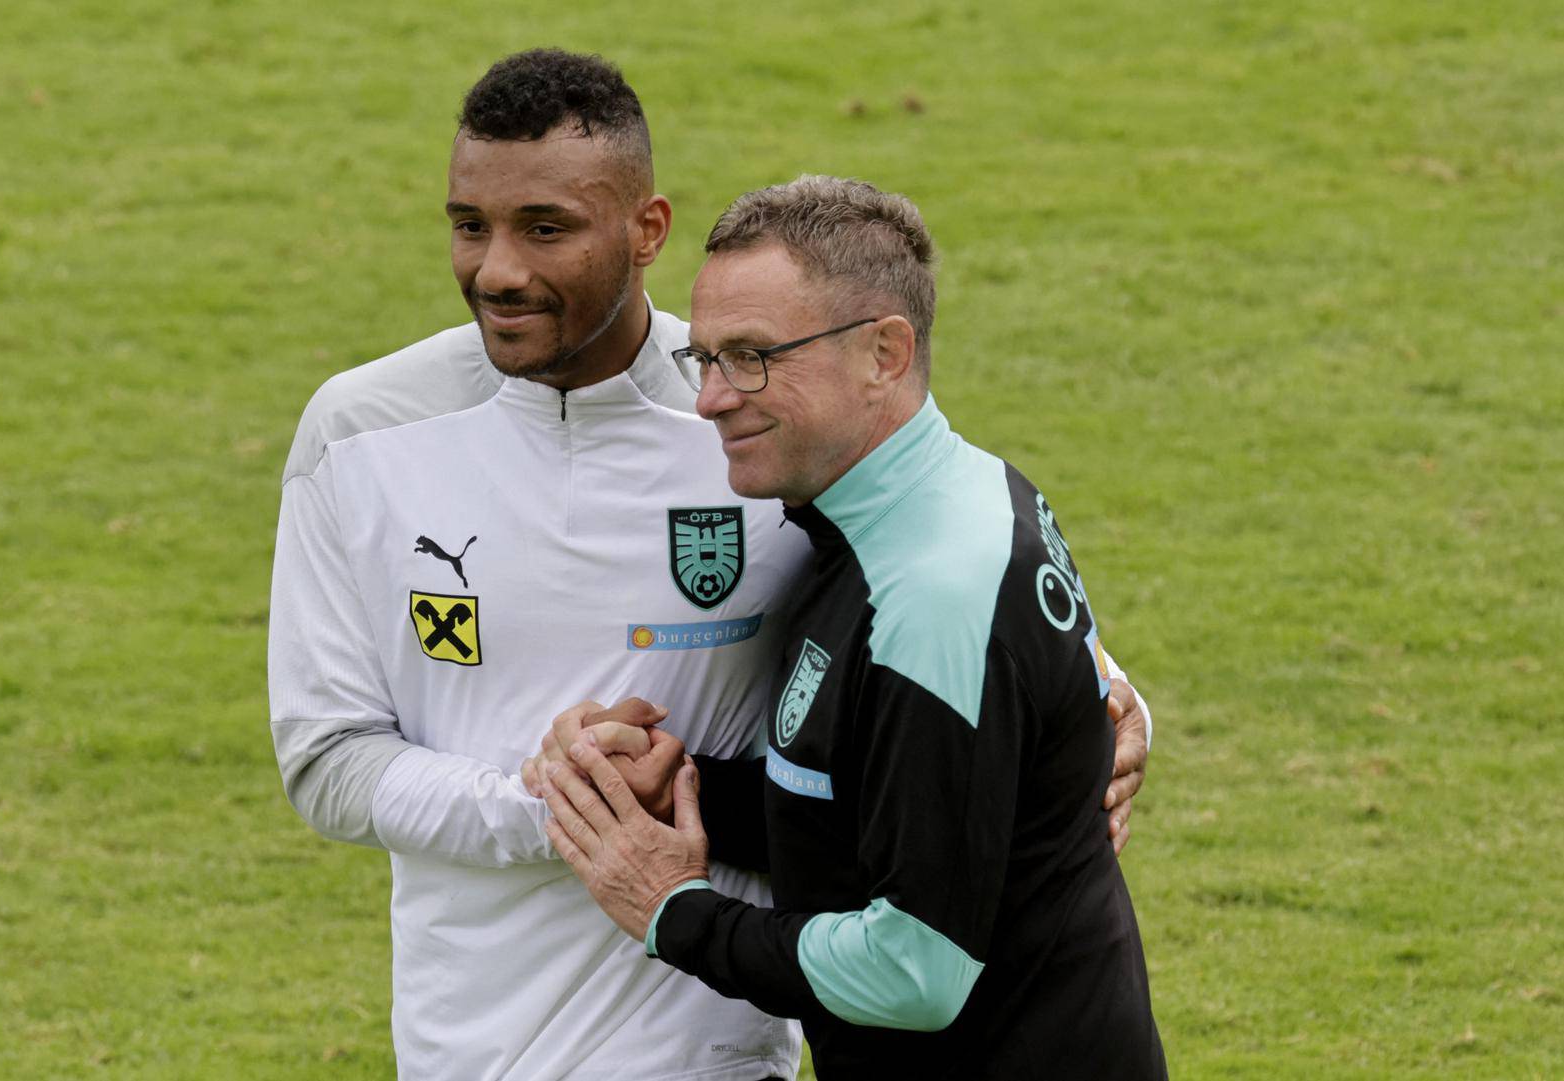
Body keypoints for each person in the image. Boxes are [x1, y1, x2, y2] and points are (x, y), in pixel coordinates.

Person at [268, 50, 1151, 1080]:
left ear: (646, 231)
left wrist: (1105, 693)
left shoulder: (756, 409)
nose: (497, 269)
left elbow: (947, 568)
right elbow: (325, 759)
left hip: (724, 1050)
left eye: (544, 228)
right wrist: (555, 805)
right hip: (465, 1046)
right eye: (470, 225)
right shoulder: (360, 433)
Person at [537, 176, 1166, 1078]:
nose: (712, 397)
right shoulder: (941, 496)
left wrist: (674, 911)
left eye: (752, 357)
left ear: (883, 352)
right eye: (704, 357)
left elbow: (918, 970)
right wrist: (679, 787)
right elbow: (875, 804)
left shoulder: (930, 594)